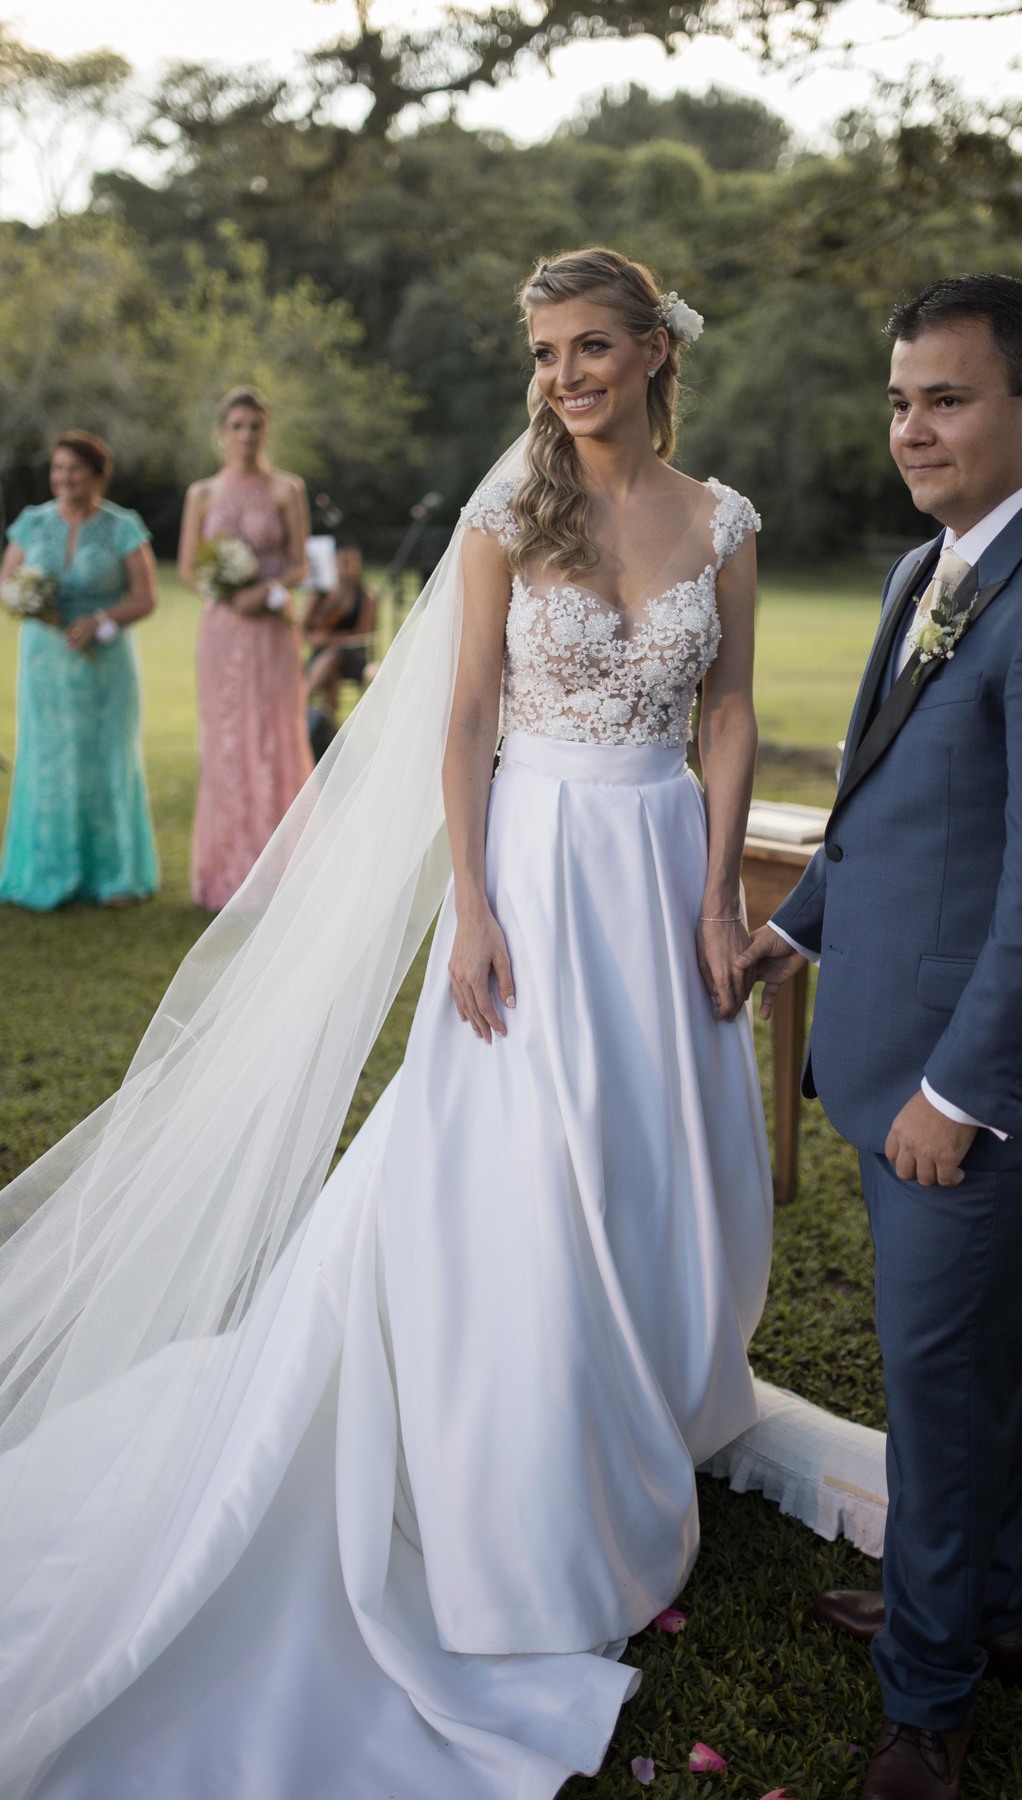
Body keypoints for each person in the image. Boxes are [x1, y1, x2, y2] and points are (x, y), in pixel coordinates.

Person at [0, 249, 774, 1799]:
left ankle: (634, 1422)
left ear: (655, 353)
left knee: (650, 1168)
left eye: (591, 347)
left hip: (658, 867)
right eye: (547, 353)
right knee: (508, 1181)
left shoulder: (726, 522)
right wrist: (473, 906)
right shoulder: (508, 519)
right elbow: (471, 716)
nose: (564, 377)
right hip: (537, 876)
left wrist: (715, 890)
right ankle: (515, 1472)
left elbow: (732, 708)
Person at [737, 274, 1022, 1800]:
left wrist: (960, 1094)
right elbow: (891, 810)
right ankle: (986, 1616)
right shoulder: (931, 568)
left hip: (968, 1093)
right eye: (899, 399)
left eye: (947, 398)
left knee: (938, 1382)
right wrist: (792, 926)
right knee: (981, 1369)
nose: (911, 429)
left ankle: (925, 1706)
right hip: (887, 1043)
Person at [0, 431, 158, 910]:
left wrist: (101, 621)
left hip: (105, 667)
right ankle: (48, 870)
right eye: (58, 469)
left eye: (75, 469)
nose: (64, 478)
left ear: (98, 474)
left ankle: (115, 874)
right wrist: (32, 605)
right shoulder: (31, 524)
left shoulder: (122, 526)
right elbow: (6, 583)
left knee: (107, 760)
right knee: (48, 760)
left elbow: (146, 596)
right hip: (45, 663)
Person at [178, 385, 314, 911]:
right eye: (237, 426)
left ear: (266, 430)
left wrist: (267, 591)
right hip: (221, 630)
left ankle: (279, 866)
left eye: (255, 425)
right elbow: (188, 569)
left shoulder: (286, 489)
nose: (246, 435)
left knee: (272, 733)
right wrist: (226, 591)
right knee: (226, 738)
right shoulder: (202, 494)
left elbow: (301, 562)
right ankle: (226, 869)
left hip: (271, 629)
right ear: (221, 434)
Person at [303, 539, 377, 757]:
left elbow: (363, 633)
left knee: (333, 657)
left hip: (353, 654)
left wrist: (329, 640)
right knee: (331, 667)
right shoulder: (323, 594)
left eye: (353, 563)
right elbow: (303, 627)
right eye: (343, 563)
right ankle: (327, 729)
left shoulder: (366, 596)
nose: (349, 568)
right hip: (324, 656)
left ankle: (303, 700)